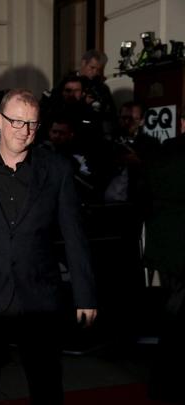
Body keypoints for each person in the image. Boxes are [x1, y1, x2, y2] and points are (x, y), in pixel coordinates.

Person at [0, 89, 97, 405]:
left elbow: (75, 236)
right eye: (16, 121)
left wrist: (85, 295)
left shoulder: (56, 168)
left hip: (40, 295)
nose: (24, 131)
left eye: (31, 123)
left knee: (46, 383)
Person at [138, 113, 185, 403]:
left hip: (166, 250)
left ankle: (161, 387)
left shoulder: (162, 152)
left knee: (172, 319)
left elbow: (143, 200)